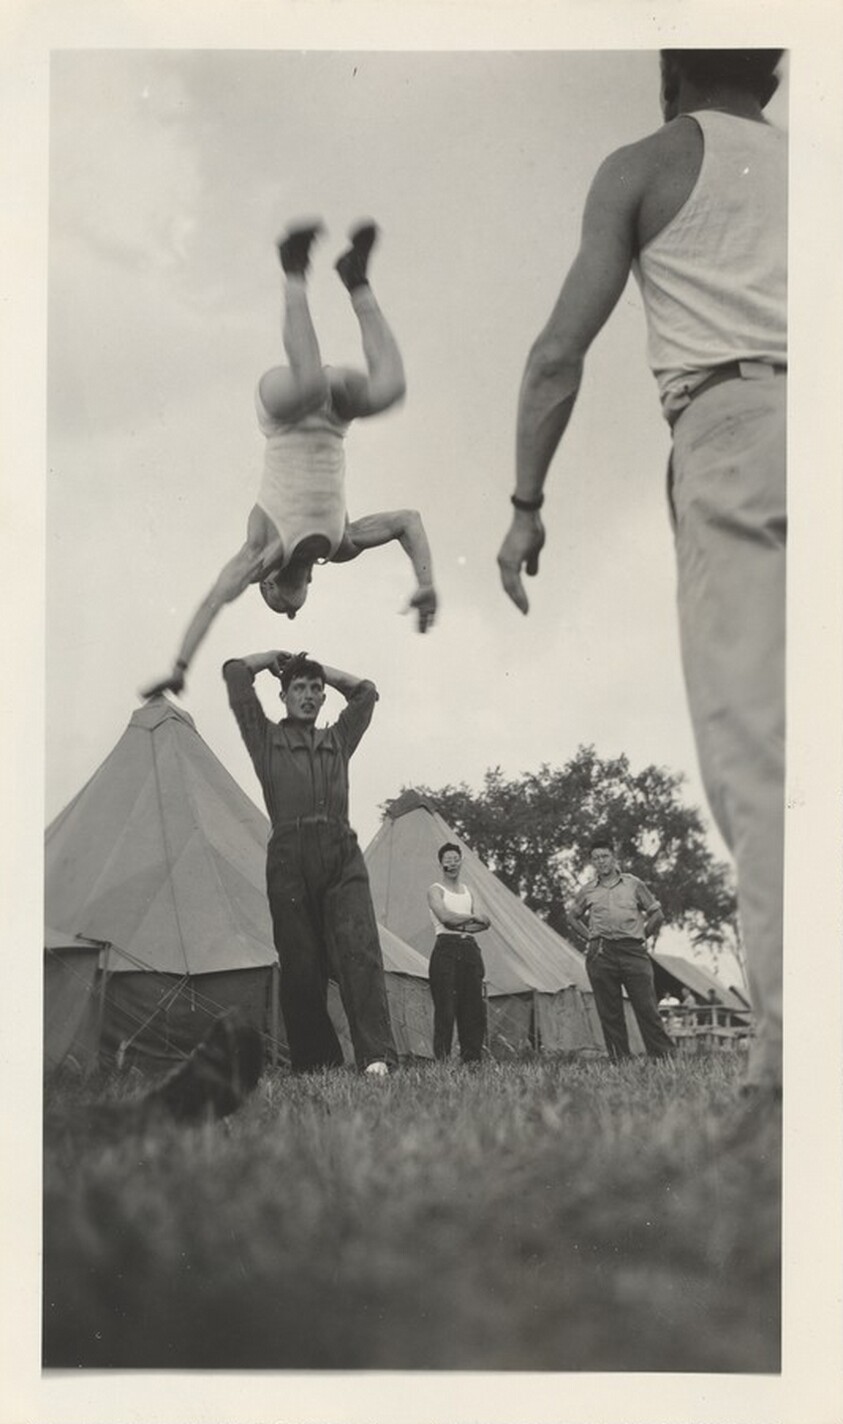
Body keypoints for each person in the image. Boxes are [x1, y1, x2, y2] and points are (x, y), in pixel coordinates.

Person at [496, 50, 785, 1097]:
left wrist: (526, 505)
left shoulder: (648, 165)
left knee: (763, 753)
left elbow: (556, 356)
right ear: (775, 72)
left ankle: (793, 1065)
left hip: (735, 428)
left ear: (669, 76)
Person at [142, 220, 437, 700]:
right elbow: (409, 521)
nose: (292, 606)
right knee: (390, 389)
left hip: (283, 411)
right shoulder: (341, 543)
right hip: (334, 416)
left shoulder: (261, 550)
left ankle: (294, 270)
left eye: (280, 604)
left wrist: (180, 666)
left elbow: (214, 600)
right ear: (309, 583)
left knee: (312, 382)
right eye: (296, 606)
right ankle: (356, 280)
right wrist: (425, 582)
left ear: (268, 586)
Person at [222, 647, 398, 1075]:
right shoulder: (264, 739)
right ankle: (317, 1062)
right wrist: (272, 658)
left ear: (323, 698)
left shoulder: (338, 739)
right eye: (298, 688)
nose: (307, 695)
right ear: (283, 696)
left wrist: (323, 670)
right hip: (289, 856)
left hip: (341, 853)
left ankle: (376, 1056)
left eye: (315, 689)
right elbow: (235, 674)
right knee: (300, 962)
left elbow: (366, 693)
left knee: (360, 950)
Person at [568, 838, 675, 1061]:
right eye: (596, 858)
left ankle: (664, 1058)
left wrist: (641, 937)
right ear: (592, 862)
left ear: (614, 857)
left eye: (604, 856)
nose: (601, 861)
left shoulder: (633, 884)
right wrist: (590, 938)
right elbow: (572, 917)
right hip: (601, 953)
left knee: (646, 1007)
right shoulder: (588, 890)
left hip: (632, 951)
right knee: (609, 1011)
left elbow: (657, 914)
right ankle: (620, 1061)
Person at [426, 843, 491, 1065]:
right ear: (440, 864)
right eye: (448, 860)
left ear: (461, 862)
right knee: (445, 1009)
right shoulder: (435, 890)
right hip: (446, 949)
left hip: (470, 949)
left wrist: (463, 922)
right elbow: (446, 918)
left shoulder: (469, 891)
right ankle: (442, 1064)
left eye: (455, 859)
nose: (452, 864)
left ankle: (472, 1062)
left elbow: (485, 921)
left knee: (473, 1009)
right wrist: (471, 917)